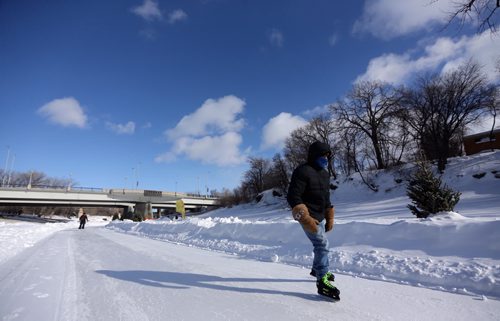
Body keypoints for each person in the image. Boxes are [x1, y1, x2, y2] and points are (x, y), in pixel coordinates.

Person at [287, 141, 340, 300]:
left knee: (320, 245)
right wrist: (305, 218)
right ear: (314, 155)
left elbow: (325, 196)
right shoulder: (302, 171)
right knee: (322, 245)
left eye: (327, 156)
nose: (325, 159)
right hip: (308, 217)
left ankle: (317, 269)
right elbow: (293, 196)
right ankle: (322, 281)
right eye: (323, 155)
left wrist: (329, 215)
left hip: (321, 216)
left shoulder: (324, 173)